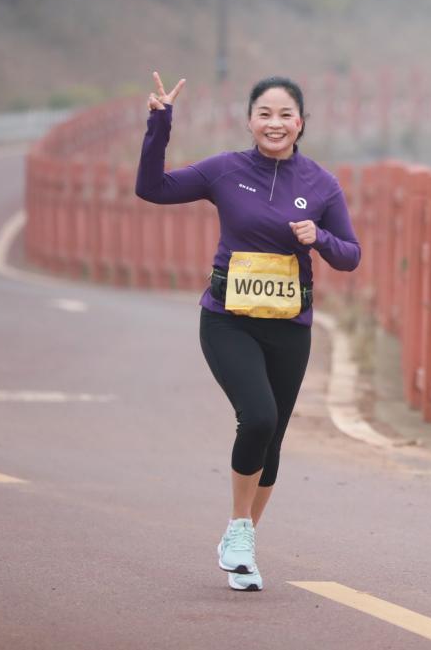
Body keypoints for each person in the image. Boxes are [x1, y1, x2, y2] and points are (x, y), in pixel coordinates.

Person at [135, 72, 360, 592]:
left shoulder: (321, 184)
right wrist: (159, 123)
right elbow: (152, 189)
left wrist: (320, 237)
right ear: (250, 121)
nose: (275, 123)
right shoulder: (224, 170)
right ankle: (239, 530)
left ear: (300, 123)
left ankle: (242, 548)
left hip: (289, 327)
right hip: (227, 319)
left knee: (274, 438)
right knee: (257, 417)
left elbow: (350, 255)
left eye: (285, 115)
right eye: (265, 114)